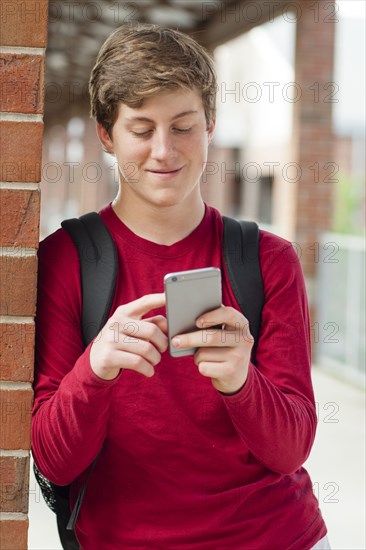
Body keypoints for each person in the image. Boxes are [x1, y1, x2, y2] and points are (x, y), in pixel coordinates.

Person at [32, 23, 331, 549]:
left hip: (275, 537)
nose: (164, 151)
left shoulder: (268, 260)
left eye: (184, 126)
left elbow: (291, 451)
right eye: (142, 129)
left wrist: (242, 381)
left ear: (211, 124)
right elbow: (56, 461)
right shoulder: (65, 261)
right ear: (106, 134)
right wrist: (94, 370)